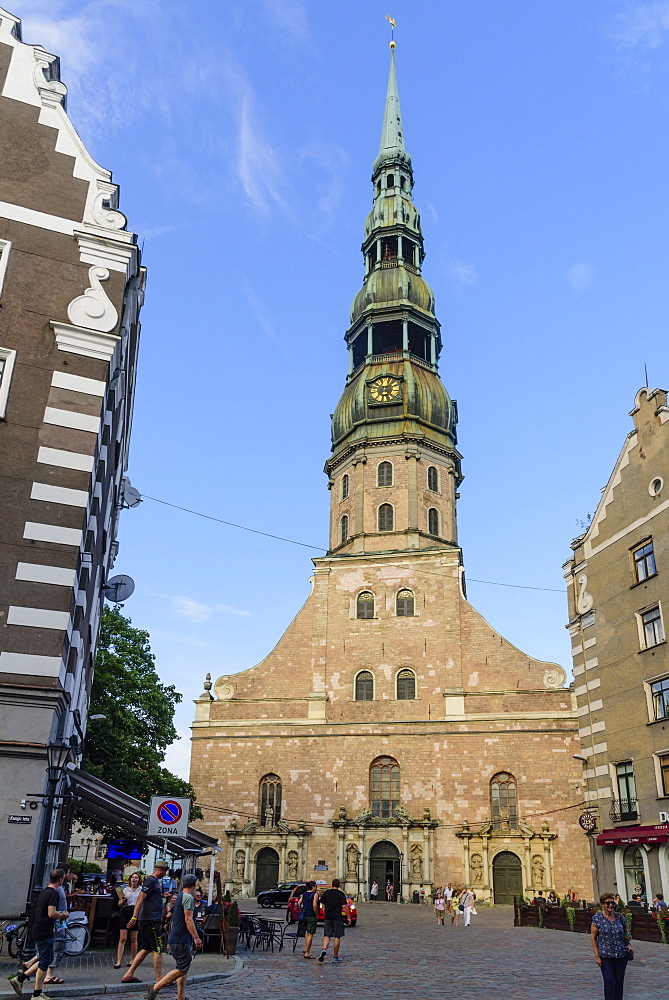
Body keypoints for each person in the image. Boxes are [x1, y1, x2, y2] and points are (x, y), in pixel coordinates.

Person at [9, 869, 68, 1000]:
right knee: (45, 960)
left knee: (45, 958)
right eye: (63, 878)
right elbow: (51, 913)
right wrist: (63, 914)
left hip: (41, 928)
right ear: (60, 879)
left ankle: (20, 979)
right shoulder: (54, 893)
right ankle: (35, 994)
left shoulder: (44, 892)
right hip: (44, 930)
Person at [147, 874, 202, 1000]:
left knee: (183, 967)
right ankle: (155, 988)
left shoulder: (180, 896)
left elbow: (175, 920)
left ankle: (181, 997)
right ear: (194, 885)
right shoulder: (188, 897)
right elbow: (188, 920)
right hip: (181, 939)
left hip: (178, 938)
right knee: (182, 969)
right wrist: (196, 937)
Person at [122, 860, 170, 985]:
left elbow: (149, 897)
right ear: (160, 870)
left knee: (146, 948)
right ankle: (160, 979)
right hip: (150, 920)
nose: (165, 874)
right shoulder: (151, 881)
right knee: (158, 949)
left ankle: (129, 974)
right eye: (165, 871)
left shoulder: (154, 883)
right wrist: (134, 917)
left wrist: (162, 895)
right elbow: (140, 898)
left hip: (150, 919)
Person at [591, 892, 632, 1000]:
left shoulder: (620, 917)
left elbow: (626, 933)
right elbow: (594, 938)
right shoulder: (597, 919)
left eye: (612, 902)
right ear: (602, 904)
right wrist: (597, 956)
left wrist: (628, 944)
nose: (610, 905)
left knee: (619, 983)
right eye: (607, 903)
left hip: (621, 955)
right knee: (609, 982)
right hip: (606, 957)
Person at [115, 872, 142, 968]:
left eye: (136, 878)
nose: (134, 879)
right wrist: (122, 901)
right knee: (123, 938)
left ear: (139, 880)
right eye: (133, 877)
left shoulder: (141, 890)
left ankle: (133, 959)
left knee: (133, 938)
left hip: (136, 912)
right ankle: (118, 960)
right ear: (130, 879)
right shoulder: (125, 890)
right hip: (126, 912)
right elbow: (119, 904)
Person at [318, 879, 349, 963]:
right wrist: (348, 917)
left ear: (332, 885)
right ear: (339, 885)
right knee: (337, 936)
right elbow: (344, 907)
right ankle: (335, 956)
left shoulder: (326, 893)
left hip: (328, 916)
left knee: (327, 935)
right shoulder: (340, 894)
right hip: (337, 916)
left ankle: (324, 950)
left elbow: (322, 905)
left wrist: (324, 912)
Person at [298, 880, 319, 959]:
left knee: (307, 933)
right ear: (313, 886)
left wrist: (302, 910)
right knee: (310, 933)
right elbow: (314, 905)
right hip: (311, 915)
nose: (316, 887)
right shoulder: (315, 894)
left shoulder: (304, 893)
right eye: (316, 886)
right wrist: (316, 914)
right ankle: (307, 952)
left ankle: (305, 948)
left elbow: (299, 903)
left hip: (305, 915)